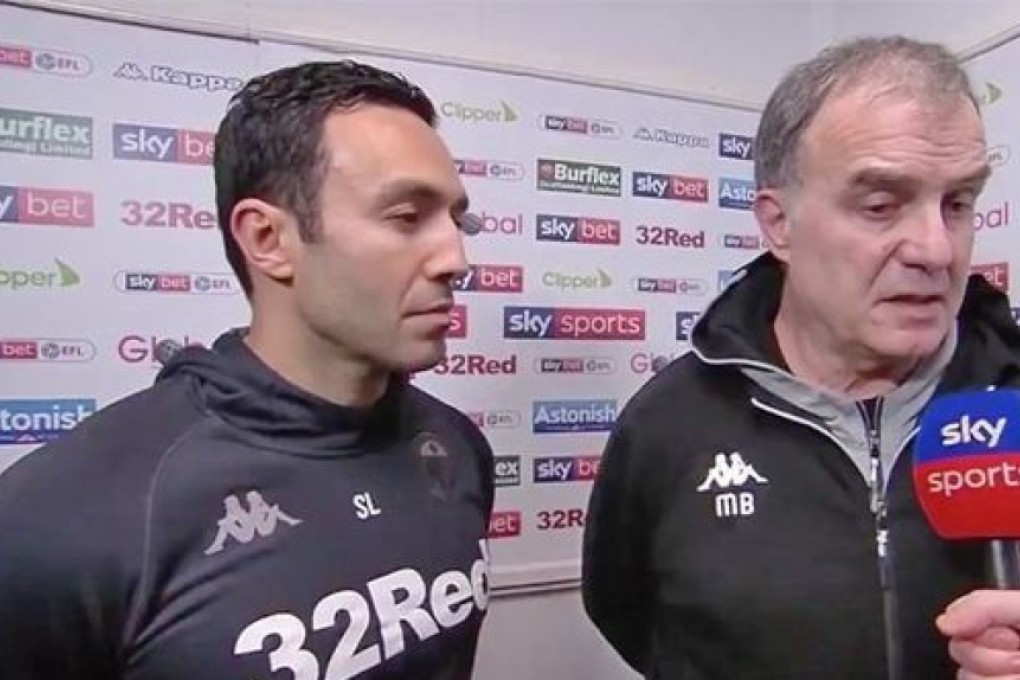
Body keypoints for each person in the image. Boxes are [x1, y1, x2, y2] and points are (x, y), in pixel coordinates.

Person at [0, 60, 494, 679]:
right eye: (405, 217)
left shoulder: (454, 446)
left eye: (457, 219)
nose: (457, 257)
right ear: (267, 238)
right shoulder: (68, 515)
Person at [582, 35, 1020, 679]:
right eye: (880, 205)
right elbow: (625, 611)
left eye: (957, 203)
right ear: (778, 223)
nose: (937, 248)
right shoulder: (667, 425)